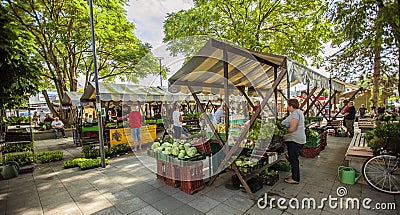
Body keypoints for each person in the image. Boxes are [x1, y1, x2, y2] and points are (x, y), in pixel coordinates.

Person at [281, 99, 306, 184]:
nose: (287, 107)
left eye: (288, 105)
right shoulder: (298, 112)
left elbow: (292, 128)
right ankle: (294, 175)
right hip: (298, 139)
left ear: (291, 106)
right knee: (294, 159)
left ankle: (295, 179)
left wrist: (282, 131)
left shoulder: (295, 114)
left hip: (295, 140)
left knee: (294, 160)